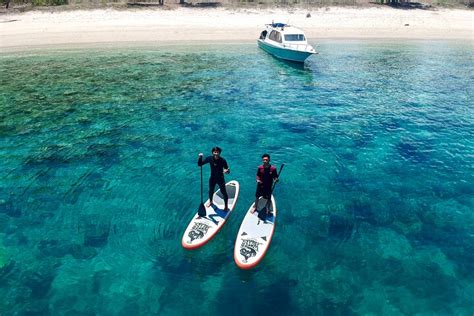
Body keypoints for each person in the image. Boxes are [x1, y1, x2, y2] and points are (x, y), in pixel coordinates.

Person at [198, 147, 230, 211]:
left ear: (219, 153)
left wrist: (227, 171)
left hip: (220, 178)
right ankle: (210, 201)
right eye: (214, 152)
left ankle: (226, 206)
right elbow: (200, 164)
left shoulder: (223, 160)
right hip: (212, 178)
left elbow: (227, 170)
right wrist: (200, 157)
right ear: (212, 152)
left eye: (217, 152)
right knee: (211, 191)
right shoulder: (210, 158)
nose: (216, 153)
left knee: (223, 192)